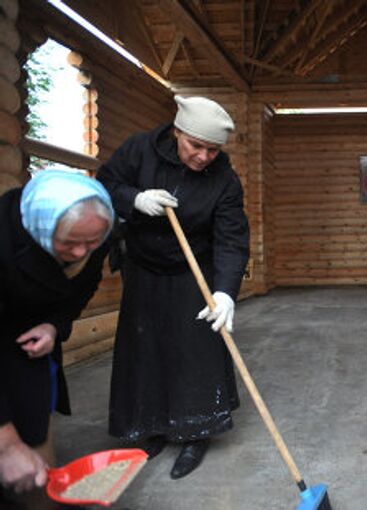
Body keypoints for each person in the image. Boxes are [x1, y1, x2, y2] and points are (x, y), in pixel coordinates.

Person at [97, 96, 250, 479]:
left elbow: (231, 238)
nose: (203, 156)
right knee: (146, 348)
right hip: (144, 268)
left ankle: (196, 431)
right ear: (178, 132)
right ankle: (150, 428)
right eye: (195, 146)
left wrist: (226, 292)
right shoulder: (139, 150)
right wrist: (134, 199)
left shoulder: (225, 181)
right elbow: (106, 183)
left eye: (213, 150)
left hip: (193, 271)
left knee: (194, 350)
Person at [0, 170, 114, 508]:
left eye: (90, 243)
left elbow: (83, 287)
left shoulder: (95, 234)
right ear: (42, 225)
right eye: (68, 243)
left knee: (34, 437)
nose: (81, 253)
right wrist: (5, 444)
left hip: (28, 340)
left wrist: (54, 324)